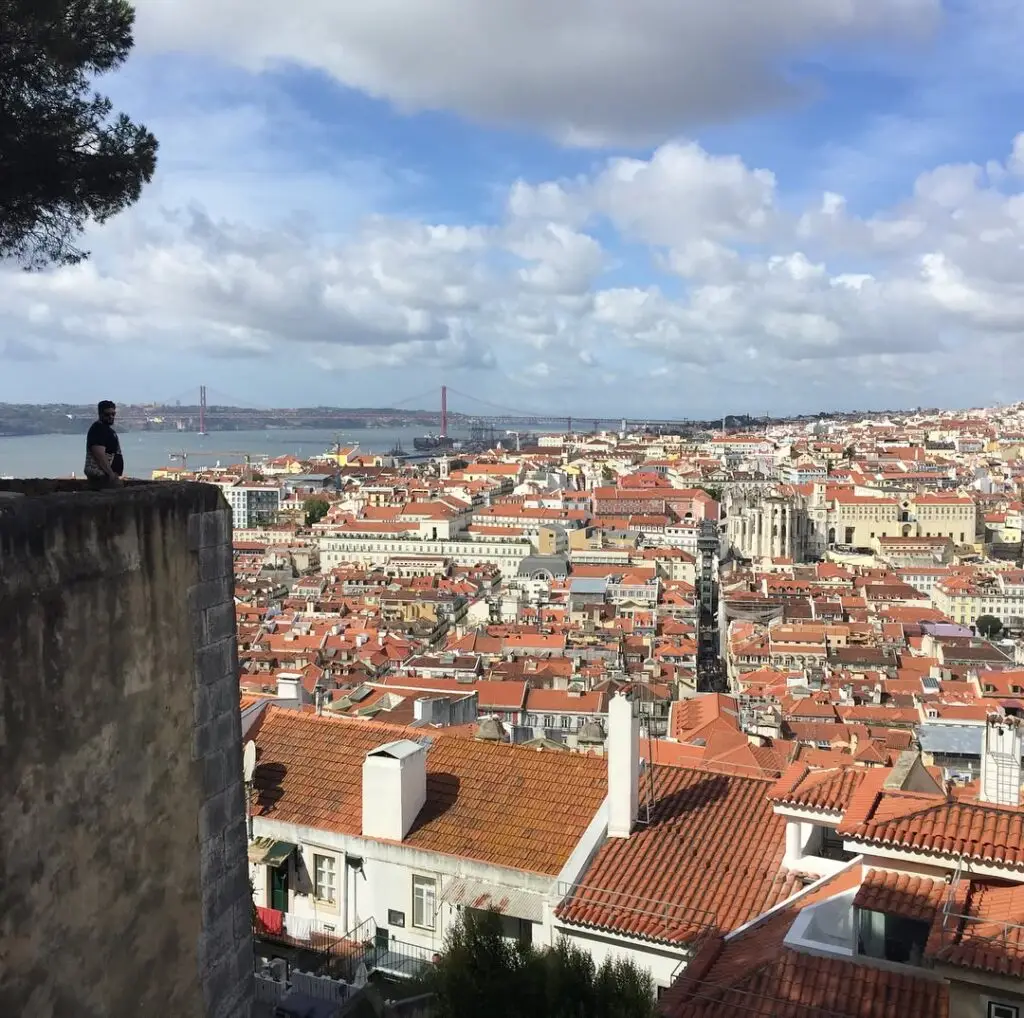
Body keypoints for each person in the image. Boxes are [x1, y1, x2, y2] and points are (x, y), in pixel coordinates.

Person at [84, 400, 124, 488]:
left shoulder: (107, 430)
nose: (111, 417)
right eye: (107, 414)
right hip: (101, 476)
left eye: (113, 414)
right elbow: (99, 454)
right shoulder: (98, 429)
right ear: (100, 414)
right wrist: (110, 474)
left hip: (106, 476)